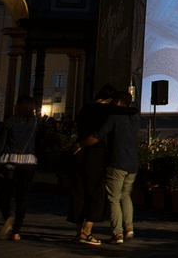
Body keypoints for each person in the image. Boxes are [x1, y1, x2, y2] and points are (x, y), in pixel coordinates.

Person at [68, 85, 138, 246]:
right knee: (99, 194)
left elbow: (91, 133)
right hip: (100, 156)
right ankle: (92, 231)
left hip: (82, 155)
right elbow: (130, 112)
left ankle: (81, 233)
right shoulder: (111, 112)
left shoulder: (86, 108)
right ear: (110, 101)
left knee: (80, 193)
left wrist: (78, 144)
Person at [0, 95, 40, 241]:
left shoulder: (9, 122)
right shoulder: (35, 123)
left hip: (9, 162)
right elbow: (38, 143)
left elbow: (0, 145)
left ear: (18, 106)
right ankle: (16, 232)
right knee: (22, 198)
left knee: (5, 195)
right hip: (28, 162)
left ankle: (8, 217)